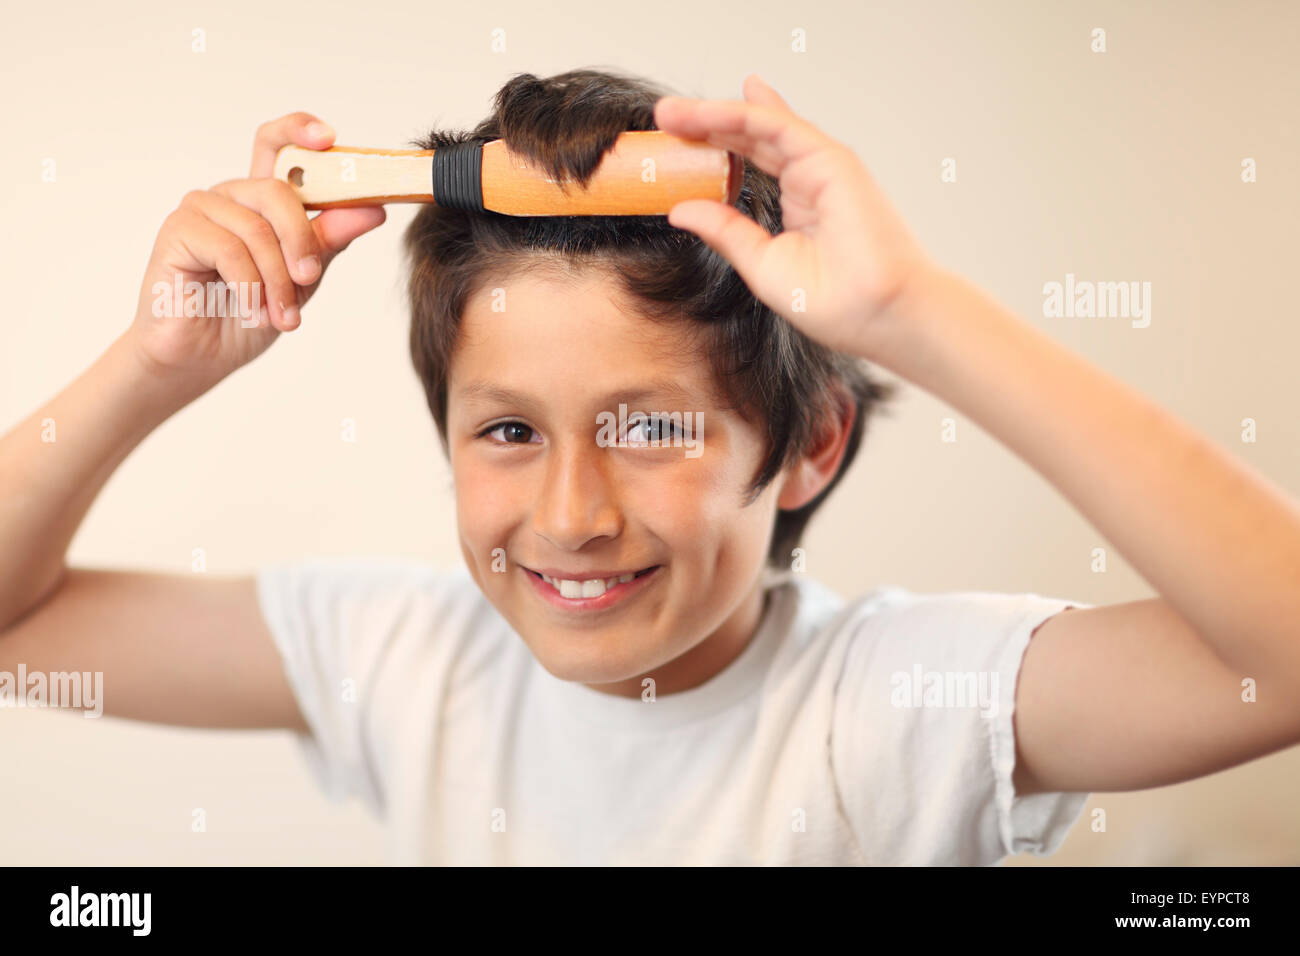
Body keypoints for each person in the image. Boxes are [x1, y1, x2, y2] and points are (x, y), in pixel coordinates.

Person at [2, 68, 1297, 865]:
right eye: (509, 430)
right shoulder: (404, 660)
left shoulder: (900, 705)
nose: (570, 513)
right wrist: (156, 366)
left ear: (811, 442)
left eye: (650, 427)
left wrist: (909, 314)